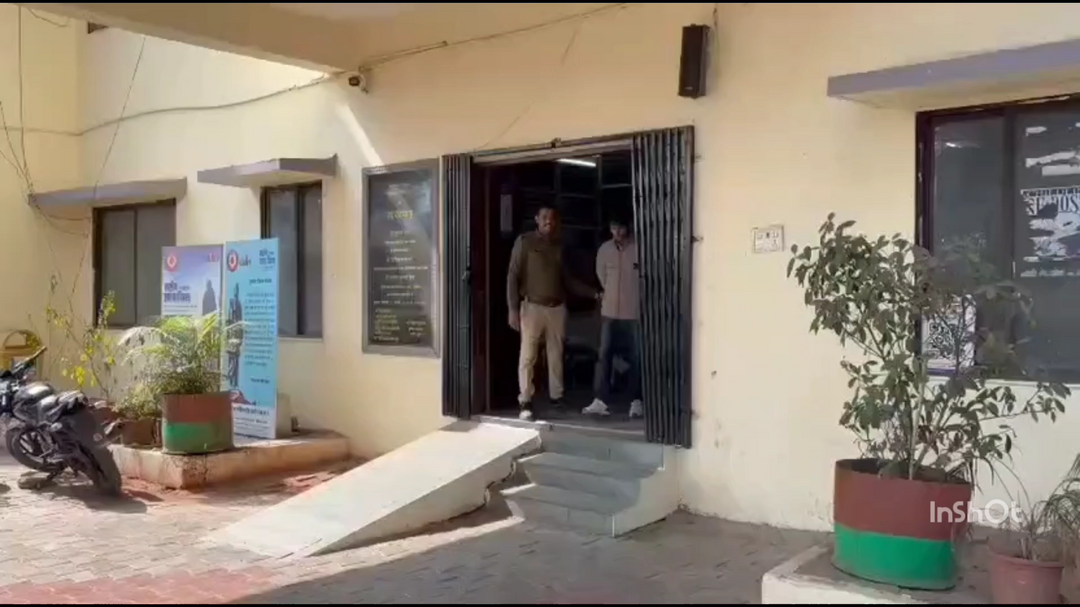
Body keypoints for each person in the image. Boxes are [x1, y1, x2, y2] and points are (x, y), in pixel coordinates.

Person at [507, 204, 599, 421]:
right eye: (545, 216)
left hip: (557, 308)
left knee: (556, 354)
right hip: (532, 307)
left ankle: (557, 397)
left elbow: (567, 279)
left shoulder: (559, 246)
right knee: (528, 355)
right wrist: (512, 308)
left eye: (553, 217)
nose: (549, 220)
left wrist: (594, 293)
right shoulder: (525, 242)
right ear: (537, 219)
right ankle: (525, 401)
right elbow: (512, 275)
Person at [583, 216, 643, 419]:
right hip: (609, 312)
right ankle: (600, 400)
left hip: (634, 313)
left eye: (620, 227)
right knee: (604, 355)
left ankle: (636, 401)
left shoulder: (639, 249)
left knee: (636, 357)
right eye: (613, 227)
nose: (617, 232)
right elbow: (602, 277)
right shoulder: (604, 250)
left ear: (628, 228)